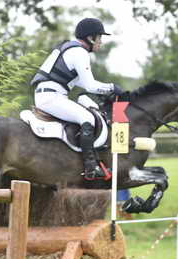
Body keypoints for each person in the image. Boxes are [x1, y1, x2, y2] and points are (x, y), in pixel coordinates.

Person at [30, 18, 123, 181]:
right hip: (51, 97)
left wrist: (103, 90)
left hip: (48, 94)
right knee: (87, 118)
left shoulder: (70, 48)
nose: (101, 42)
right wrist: (112, 88)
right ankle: (91, 167)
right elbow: (90, 85)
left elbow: (79, 82)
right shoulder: (79, 52)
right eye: (99, 37)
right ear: (90, 37)